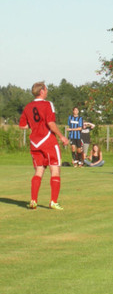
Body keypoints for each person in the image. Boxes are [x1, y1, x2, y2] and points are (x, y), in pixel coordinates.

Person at [18, 81, 69, 210]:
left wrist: (34, 126)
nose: (47, 91)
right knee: (55, 170)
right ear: (41, 91)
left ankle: (33, 200)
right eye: (46, 89)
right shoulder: (48, 104)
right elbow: (51, 123)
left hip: (34, 143)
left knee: (39, 170)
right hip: (48, 141)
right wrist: (61, 136)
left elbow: (22, 125)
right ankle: (53, 202)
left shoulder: (28, 107)